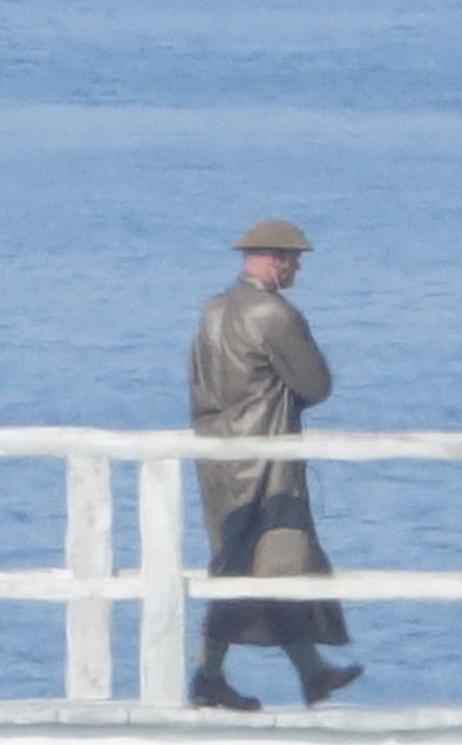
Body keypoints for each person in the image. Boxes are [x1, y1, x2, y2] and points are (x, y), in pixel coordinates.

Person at [187, 218, 362, 710]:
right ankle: (209, 676)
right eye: (296, 259)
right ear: (277, 259)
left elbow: (202, 391)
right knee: (274, 568)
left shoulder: (212, 312)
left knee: (249, 567)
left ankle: (310, 675)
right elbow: (316, 385)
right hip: (268, 466)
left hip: (220, 465)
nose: (299, 268)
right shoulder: (275, 314)